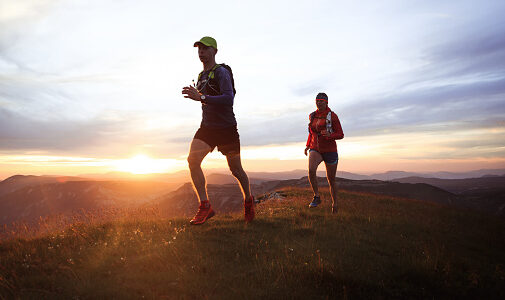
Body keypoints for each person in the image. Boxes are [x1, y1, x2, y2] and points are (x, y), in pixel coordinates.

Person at [181, 36, 254, 225]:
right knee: (192, 160)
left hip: (227, 129)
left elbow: (228, 99)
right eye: (199, 49)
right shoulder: (201, 76)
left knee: (236, 170)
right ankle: (205, 206)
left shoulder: (221, 72)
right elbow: (204, 100)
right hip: (207, 128)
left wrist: (202, 96)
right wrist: (199, 96)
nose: (201, 52)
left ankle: (248, 200)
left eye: (205, 48)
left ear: (215, 51)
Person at [304, 93, 344, 213]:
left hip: (330, 150)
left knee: (331, 179)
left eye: (321, 101)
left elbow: (341, 134)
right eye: (317, 101)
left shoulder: (333, 116)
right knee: (311, 170)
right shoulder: (312, 115)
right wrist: (307, 146)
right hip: (315, 148)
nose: (319, 103)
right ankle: (316, 197)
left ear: (326, 102)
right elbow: (311, 133)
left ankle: (335, 204)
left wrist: (330, 135)